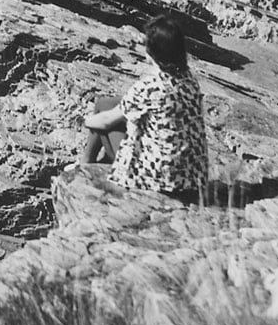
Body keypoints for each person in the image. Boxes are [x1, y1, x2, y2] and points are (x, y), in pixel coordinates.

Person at [79, 14, 208, 199]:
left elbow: (105, 122)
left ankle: (85, 164)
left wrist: (82, 121)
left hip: (158, 178)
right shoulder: (190, 81)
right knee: (105, 103)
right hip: (193, 178)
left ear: (150, 52)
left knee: (102, 115)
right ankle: (94, 161)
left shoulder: (149, 86)